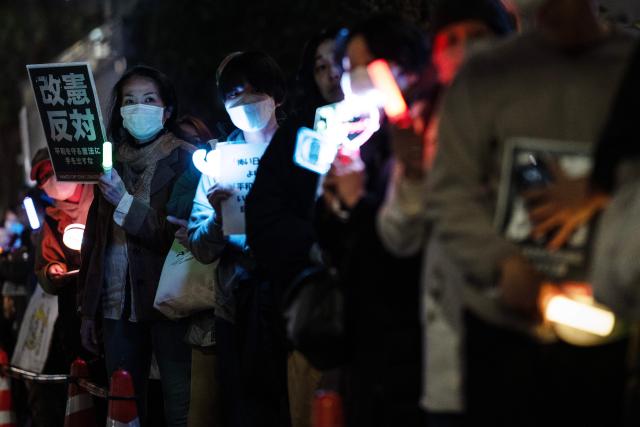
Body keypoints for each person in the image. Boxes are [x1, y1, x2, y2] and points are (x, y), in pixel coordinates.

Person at [424, 0, 636, 424]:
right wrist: (502, 265)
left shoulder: (629, 67)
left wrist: (599, 190)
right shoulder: (488, 74)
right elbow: (449, 191)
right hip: (503, 329)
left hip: (608, 326)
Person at [375, 1, 514, 424]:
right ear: (436, 53)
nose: (465, 49)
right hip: (448, 344)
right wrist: (413, 177)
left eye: (477, 37)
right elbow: (399, 236)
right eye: (451, 40)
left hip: (517, 326)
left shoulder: (533, 113)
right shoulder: (423, 123)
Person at [312, 14, 429, 427]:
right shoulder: (361, 140)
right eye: (348, 69)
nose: (356, 77)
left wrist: (357, 202)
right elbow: (333, 240)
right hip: (364, 335)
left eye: (370, 63)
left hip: (414, 338)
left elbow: (402, 246)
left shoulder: (425, 138)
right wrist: (332, 204)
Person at [78, 65, 194, 427]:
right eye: (129, 101)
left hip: (169, 302)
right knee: (124, 404)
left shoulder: (186, 158)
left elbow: (172, 233)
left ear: (167, 109)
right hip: (116, 304)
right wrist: (87, 309)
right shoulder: (107, 162)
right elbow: (93, 242)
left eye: (148, 99)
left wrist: (124, 202)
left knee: (180, 403)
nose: (138, 108)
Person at [245, 28, 345, 427]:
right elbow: (264, 215)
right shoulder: (299, 135)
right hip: (317, 318)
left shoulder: (398, 123)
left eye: (338, 62)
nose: (331, 74)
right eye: (320, 67)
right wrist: (314, 247)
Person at [187, 51, 289, 427]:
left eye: (254, 90)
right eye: (234, 95)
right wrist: (217, 216)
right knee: (247, 410)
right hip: (239, 308)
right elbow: (200, 246)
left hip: (294, 302)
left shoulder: (303, 149)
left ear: (276, 95)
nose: (244, 101)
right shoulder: (218, 163)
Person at [26, 148, 94, 427]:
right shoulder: (52, 220)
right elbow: (44, 266)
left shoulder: (101, 196)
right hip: (73, 311)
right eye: (42, 179)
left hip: (108, 304)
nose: (49, 181)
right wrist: (52, 271)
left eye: (51, 172)